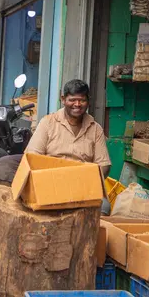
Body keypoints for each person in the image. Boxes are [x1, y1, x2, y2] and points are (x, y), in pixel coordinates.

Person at [26, 79, 112, 212]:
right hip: (51, 183)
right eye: (72, 100)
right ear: (63, 99)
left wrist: (86, 181)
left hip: (83, 186)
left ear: (88, 101)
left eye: (82, 100)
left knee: (104, 207)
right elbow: (32, 156)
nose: (77, 104)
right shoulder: (48, 123)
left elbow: (104, 164)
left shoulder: (95, 129)